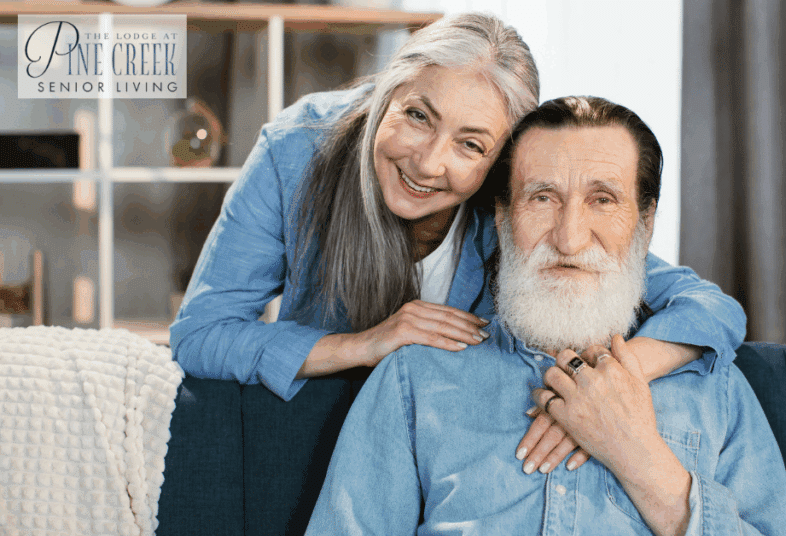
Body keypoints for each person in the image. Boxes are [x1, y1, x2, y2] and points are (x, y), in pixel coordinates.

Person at [169, 13, 745, 470]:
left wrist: (608, 385)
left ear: (500, 165)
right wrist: (365, 343)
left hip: (467, 451)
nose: (427, 162)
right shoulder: (293, 154)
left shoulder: (519, 209)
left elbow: (710, 308)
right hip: (321, 435)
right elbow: (200, 334)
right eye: (417, 115)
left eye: (471, 146)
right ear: (386, 96)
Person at [304, 96, 786, 535]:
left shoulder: (714, 388)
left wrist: (640, 459)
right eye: (542, 198)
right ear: (502, 218)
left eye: (602, 200)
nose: (569, 238)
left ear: (644, 225)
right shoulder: (414, 378)